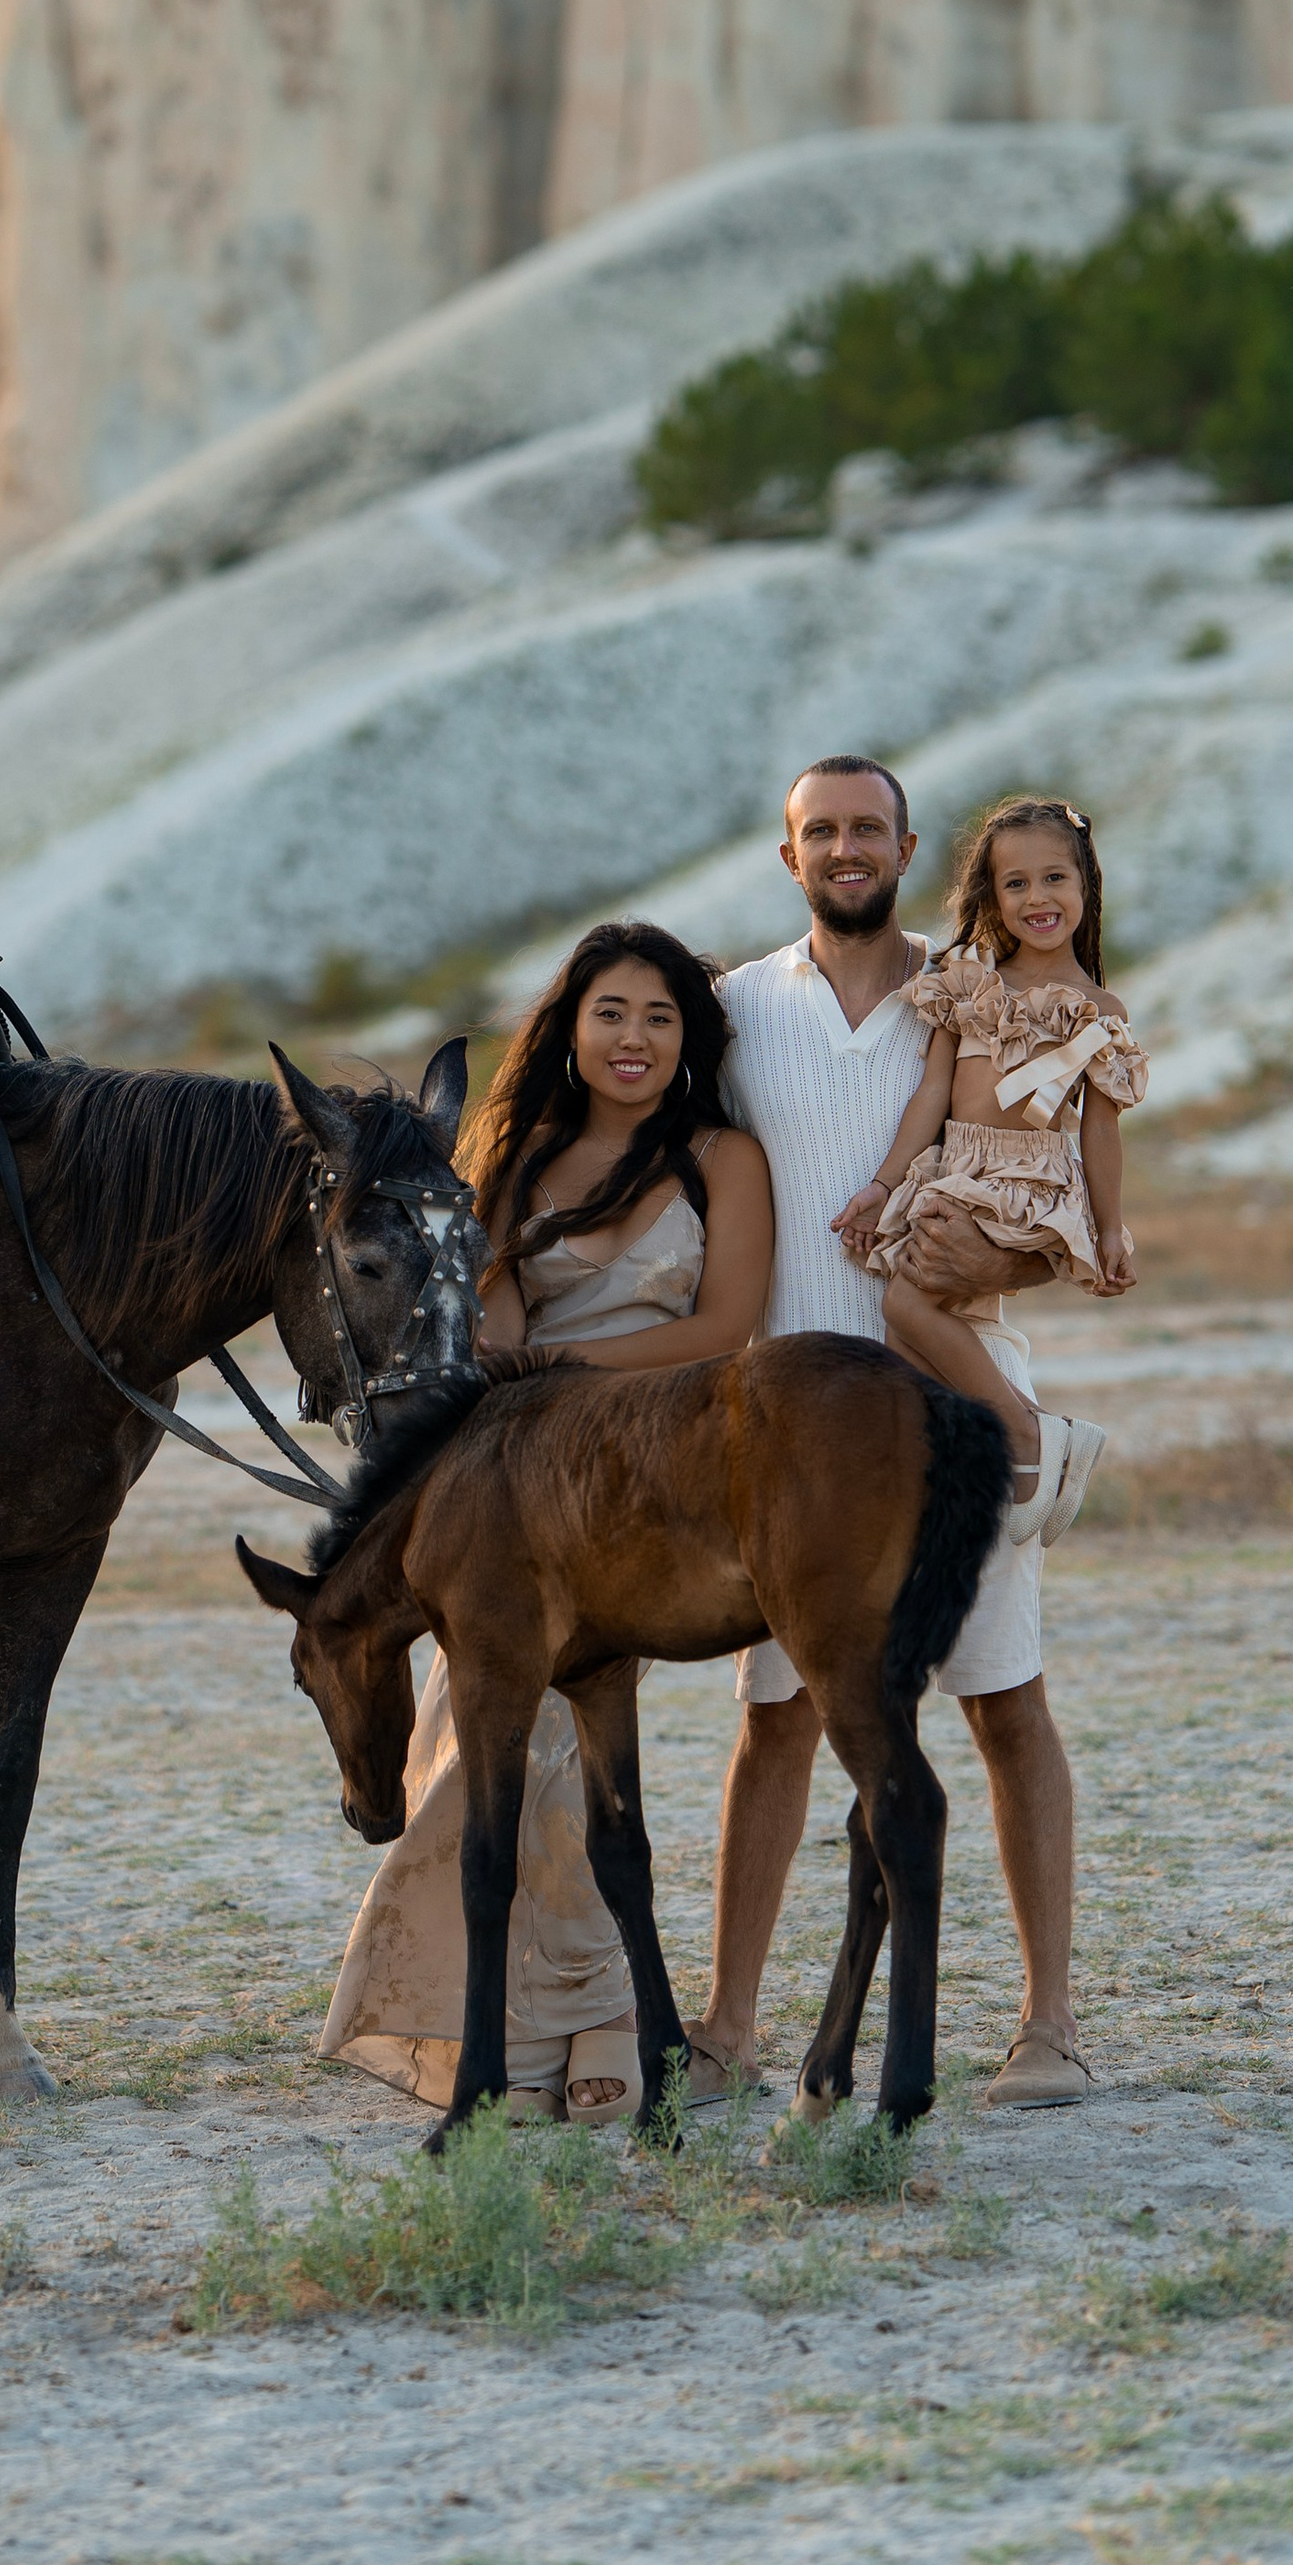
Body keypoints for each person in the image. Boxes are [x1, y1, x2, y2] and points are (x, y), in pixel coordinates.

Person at [684, 756, 1102, 2111]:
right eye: (822, 831)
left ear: (909, 846)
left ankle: (1047, 2028)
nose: (846, 848)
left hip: (957, 1412)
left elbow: (1052, 1202)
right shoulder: (737, 1013)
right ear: (787, 852)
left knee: (1003, 1703)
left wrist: (1001, 1270)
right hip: (790, 1443)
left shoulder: (977, 994)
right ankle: (727, 2029)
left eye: (868, 828)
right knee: (781, 1719)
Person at [322, 922, 771, 2123]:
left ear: (691, 1038)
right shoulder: (513, 1162)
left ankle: (600, 2016)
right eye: (611, 1012)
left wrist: (562, 1359)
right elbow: (493, 1335)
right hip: (524, 1482)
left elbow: (725, 1328)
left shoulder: (721, 1157)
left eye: (660, 1017)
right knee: (494, 1745)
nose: (634, 1038)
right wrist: (535, 1374)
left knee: (570, 1748)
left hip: (665, 1475)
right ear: (570, 1029)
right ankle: (537, 2030)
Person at [845, 796, 1146, 1544]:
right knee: (906, 1339)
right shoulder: (969, 985)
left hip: (1026, 1186)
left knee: (906, 1312)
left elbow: (1102, 1132)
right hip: (957, 1169)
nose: (1038, 898)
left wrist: (1112, 1230)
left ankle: (1029, 1435)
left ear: (1085, 888)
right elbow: (931, 1098)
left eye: (1055, 879)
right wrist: (885, 1185)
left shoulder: (1096, 1009)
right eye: (1016, 884)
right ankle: (1004, 1449)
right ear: (991, 896)